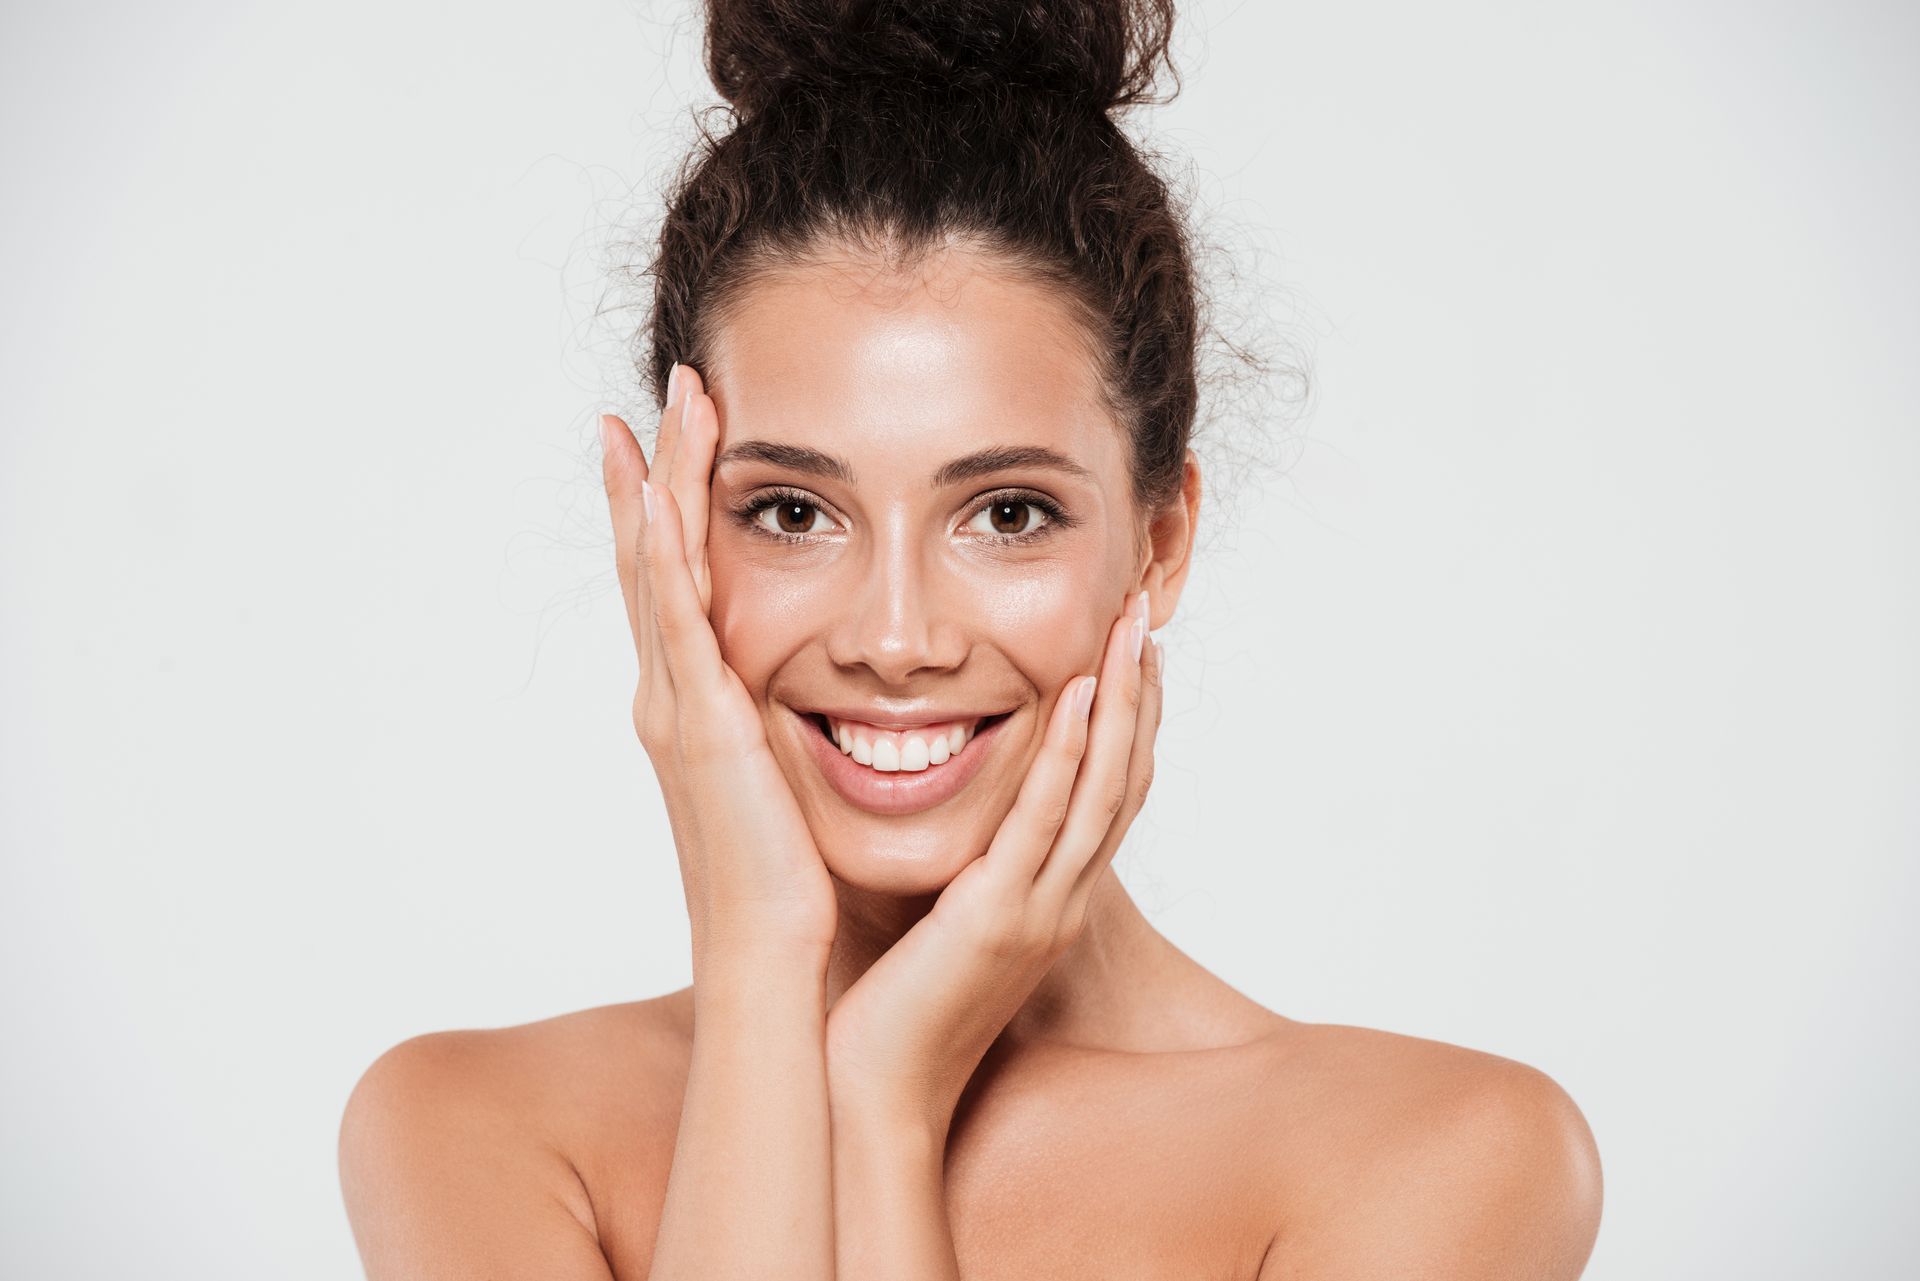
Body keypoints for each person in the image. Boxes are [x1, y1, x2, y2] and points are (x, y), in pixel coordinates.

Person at [338, 1, 1603, 1276]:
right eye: (792, 511)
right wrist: (760, 967)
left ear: (1159, 545)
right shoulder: (474, 1129)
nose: (896, 638)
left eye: (1007, 513)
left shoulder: (1437, 1158)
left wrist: (886, 1105)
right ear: (668, 532)